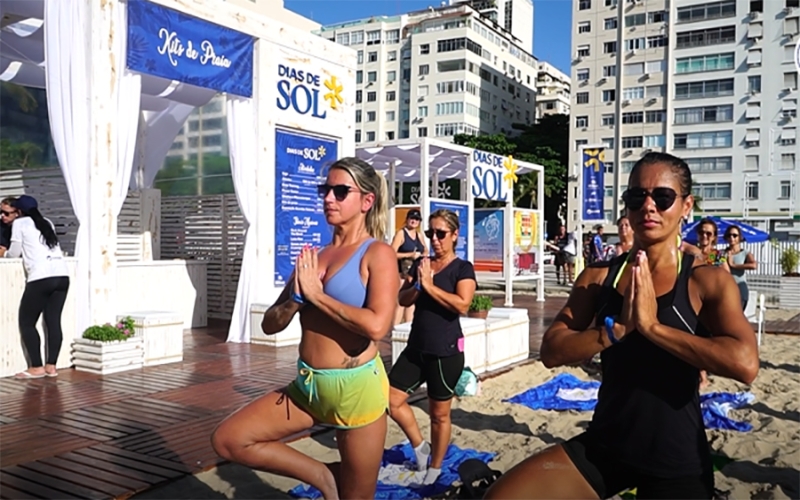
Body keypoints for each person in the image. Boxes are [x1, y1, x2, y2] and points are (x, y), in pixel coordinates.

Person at [485, 152, 758, 500]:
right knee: (502, 496)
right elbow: (552, 350)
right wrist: (613, 332)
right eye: (636, 196)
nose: (648, 206)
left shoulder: (706, 281)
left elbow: (746, 363)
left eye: (662, 197)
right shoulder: (600, 277)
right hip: (608, 445)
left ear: (686, 206)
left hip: (675, 458)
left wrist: (652, 327)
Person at [211, 157, 397, 500]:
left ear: (366, 201)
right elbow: (270, 323)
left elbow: (377, 325)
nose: (329, 198)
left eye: (341, 191)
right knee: (230, 438)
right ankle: (322, 475)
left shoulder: (378, 253)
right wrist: (296, 299)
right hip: (308, 388)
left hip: (358, 392)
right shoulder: (316, 256)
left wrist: (316, 295)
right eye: (325, 189)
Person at [387, 209, 476, 485]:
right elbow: (403, 299)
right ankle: (420, 447)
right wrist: (419, 288)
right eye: (430, 233)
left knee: (439, 415)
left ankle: (435, 467)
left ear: (454, 235)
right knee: (390, 399)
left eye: (441, 233)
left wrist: (430, 286)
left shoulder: (463, 268)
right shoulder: (421, 264)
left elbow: (462, 304)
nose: (435, 239)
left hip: (445, 352)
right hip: (416, 348)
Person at [5, 195, 70, 379]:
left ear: (18, 211)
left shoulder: (20, 224)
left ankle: (36, 367)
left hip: (41, 277)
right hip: (62, 275)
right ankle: (51, 366)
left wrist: (4, 253)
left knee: (27, 322)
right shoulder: (47, 222)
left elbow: (14, 253)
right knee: (53, 321)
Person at [391, 209, 426, 324]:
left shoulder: (419, 235)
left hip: (414, 274)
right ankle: (394, 330)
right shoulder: (401, 234)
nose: (414, 221)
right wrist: (410, 255)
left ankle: (407, 330)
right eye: (412, 218)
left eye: (417, 219)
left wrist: (423, 255)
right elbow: (391, 253)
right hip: (402, 274)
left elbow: (425, 249)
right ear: (407, 219)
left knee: (411, 302)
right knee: (400, 303)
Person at [724, 225, 757, 310]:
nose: (732, 237)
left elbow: (754, 265)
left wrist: (733, 265)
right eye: (729, 235)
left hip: (740, 290)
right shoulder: (723, 253)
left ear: (739, 238)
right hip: (726, 290)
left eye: (734, 235)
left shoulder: (744, 253)